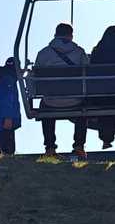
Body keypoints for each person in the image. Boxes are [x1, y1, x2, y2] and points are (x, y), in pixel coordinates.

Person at [34, 21, 88, 159]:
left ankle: (50, 147)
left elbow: (35, 78)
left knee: (45, 108)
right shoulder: (79, 52)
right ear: (71, 36)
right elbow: (88, 73)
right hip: (75, 100)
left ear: (55, 35)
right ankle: (79, 146)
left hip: (51, 100)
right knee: (85, 108)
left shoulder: (43, 53)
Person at [0, 57, 21, 155]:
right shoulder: (8, 80)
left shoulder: (3, 79)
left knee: (2, 150)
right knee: (7, 151)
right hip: (5, 122)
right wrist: (8, 117)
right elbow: (7, 99)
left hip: (0, 122)